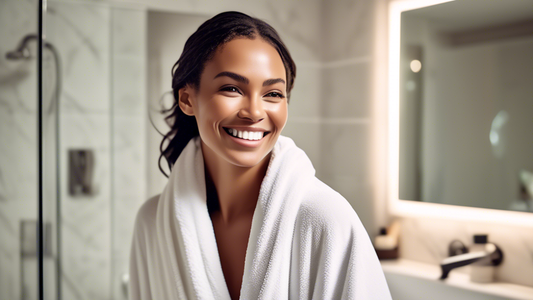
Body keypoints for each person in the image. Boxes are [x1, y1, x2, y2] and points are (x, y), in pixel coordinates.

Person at [129, 11, 391, 300]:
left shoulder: (325, 220)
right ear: (188, 99)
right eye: (231, 88)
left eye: (273, 94)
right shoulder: (152, 223)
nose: (254, 112)